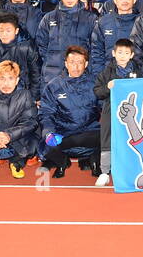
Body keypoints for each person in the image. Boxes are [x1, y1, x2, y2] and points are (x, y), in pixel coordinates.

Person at [39, 45, 101, 178]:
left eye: (80, 63)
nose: (76, 67)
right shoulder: (54, 86)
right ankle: (62, 162)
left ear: (86, 64)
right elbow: (46, 113)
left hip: (90, 132)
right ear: (66, 64)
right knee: (44, 142)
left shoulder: (95, 84)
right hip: (65, 134)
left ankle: (95, 161)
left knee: (111, 136)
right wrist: (49, 133)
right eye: (72, 62)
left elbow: (107, 108)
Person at [94, 39, 140, 187]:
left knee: (132, 139)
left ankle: (132, 171)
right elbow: (97, 91)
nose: (122, 56)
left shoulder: (139, 71)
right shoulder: (107, 71)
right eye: (120, 52)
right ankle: (105, 172)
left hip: (132, 114)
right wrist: (108, 87)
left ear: (131, 55)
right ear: (114, 53)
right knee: (107, 140)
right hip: (110, 111)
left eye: (126, 53)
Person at [36, 0, 99, 88]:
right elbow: (41, 44)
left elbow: (96, 46)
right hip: (52, 73)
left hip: (80, 73)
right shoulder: (49, 18)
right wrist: (51, 59)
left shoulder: (91, 18)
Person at [0, 13, 42, 92]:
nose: (4, 34)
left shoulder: (27, 47)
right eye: (1, 31)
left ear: (16, 31)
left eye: (8, 31)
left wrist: (34, 97)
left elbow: (36, 74)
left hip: (23, 92)